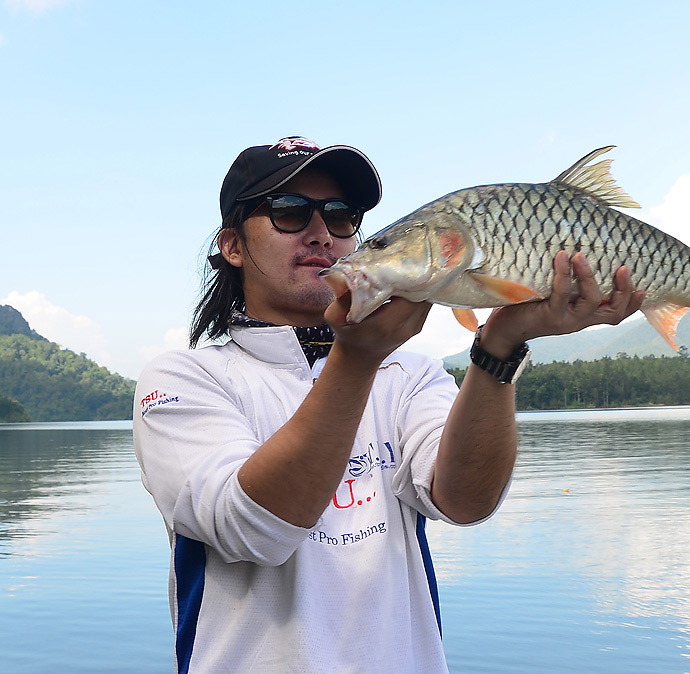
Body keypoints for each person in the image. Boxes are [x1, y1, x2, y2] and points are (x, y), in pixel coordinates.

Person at [133, 135, 645, 674]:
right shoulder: (183, 380)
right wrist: (354, 362)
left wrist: (500, 346)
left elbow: (463, 502)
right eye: (288, 212)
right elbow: (255, 529)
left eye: (341, 215)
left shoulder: (409, 373)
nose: (320, 233)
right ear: (232, 246)